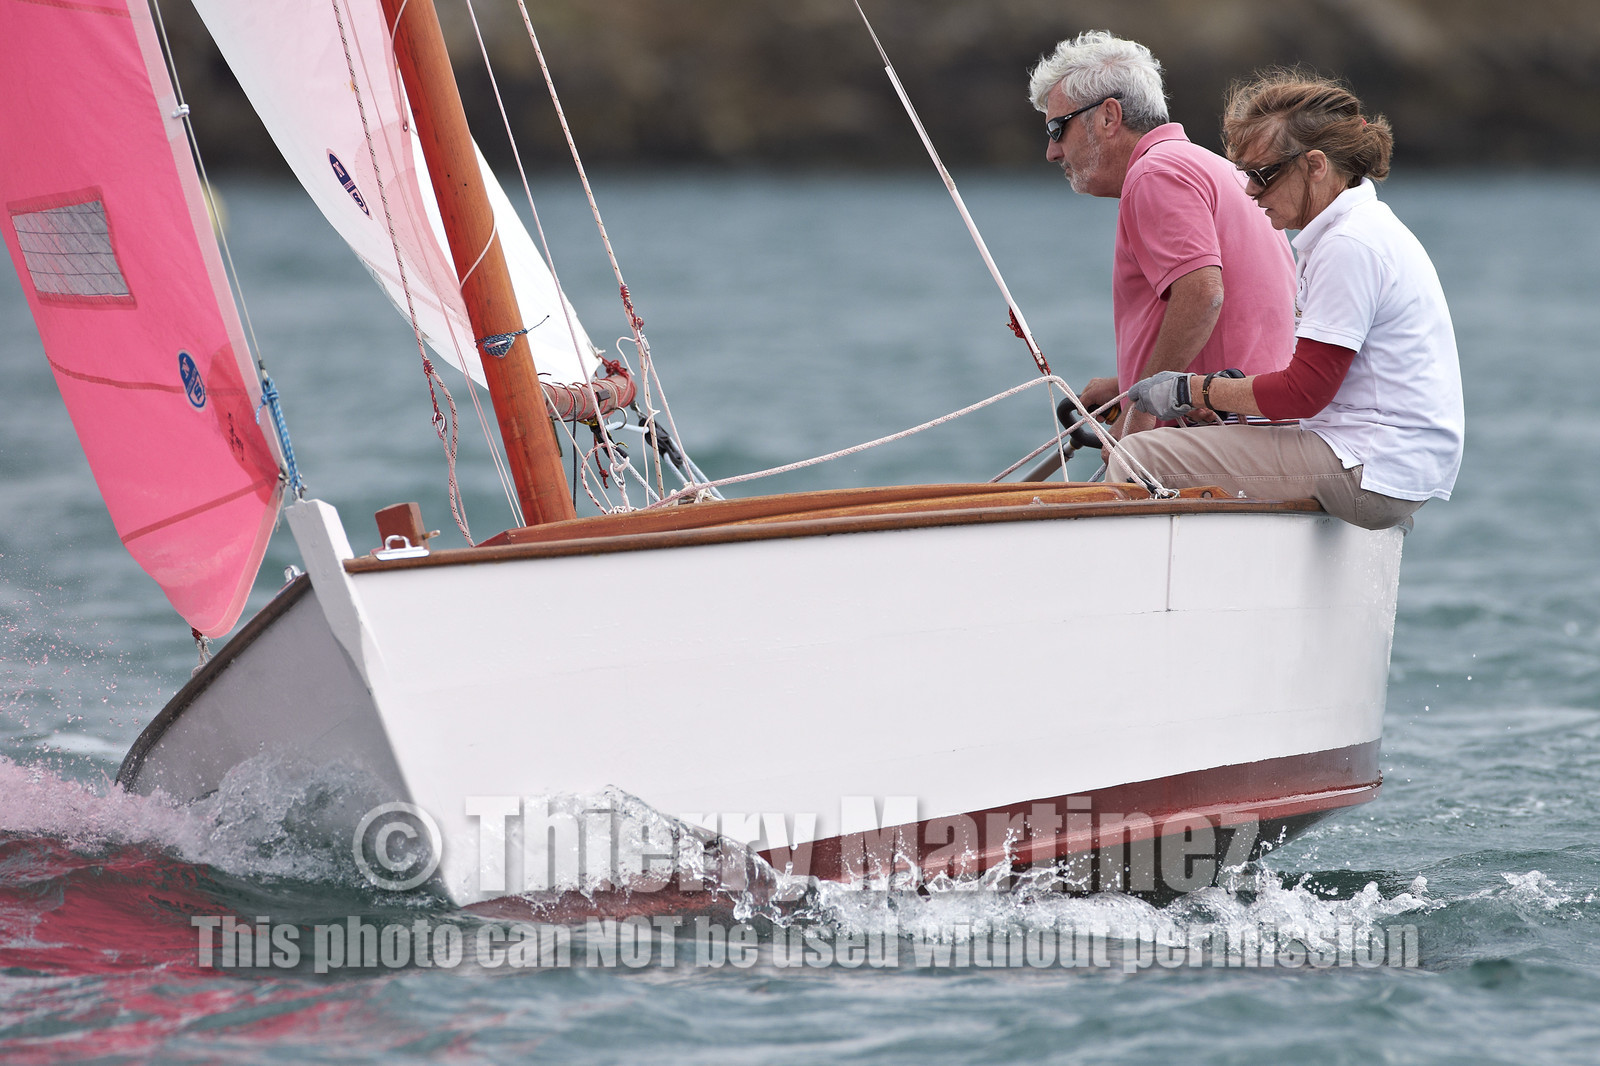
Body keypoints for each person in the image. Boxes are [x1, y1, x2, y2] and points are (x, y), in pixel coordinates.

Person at [1111, 71, 1465, 530]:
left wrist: (1189, 389)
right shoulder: (1359, 229)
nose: (1251, 191)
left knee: (1140, 455)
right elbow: (1316, 387)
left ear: (1316, 165)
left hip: (1371, 469)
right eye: (1245, 175)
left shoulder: (1349, 246)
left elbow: (1305, 393)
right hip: (1387, 460)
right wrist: (1218, 397)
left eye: (1262, 175)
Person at [1028, 32, 1296, 440]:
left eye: (1056, 129)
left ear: (1109, 117)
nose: (1052, 151)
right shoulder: (1212, 167)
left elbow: (1203, 294)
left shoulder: (1155, 174)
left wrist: (1140, 413)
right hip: (1264, 425)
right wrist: (1129, 385)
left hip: (1223, 436)